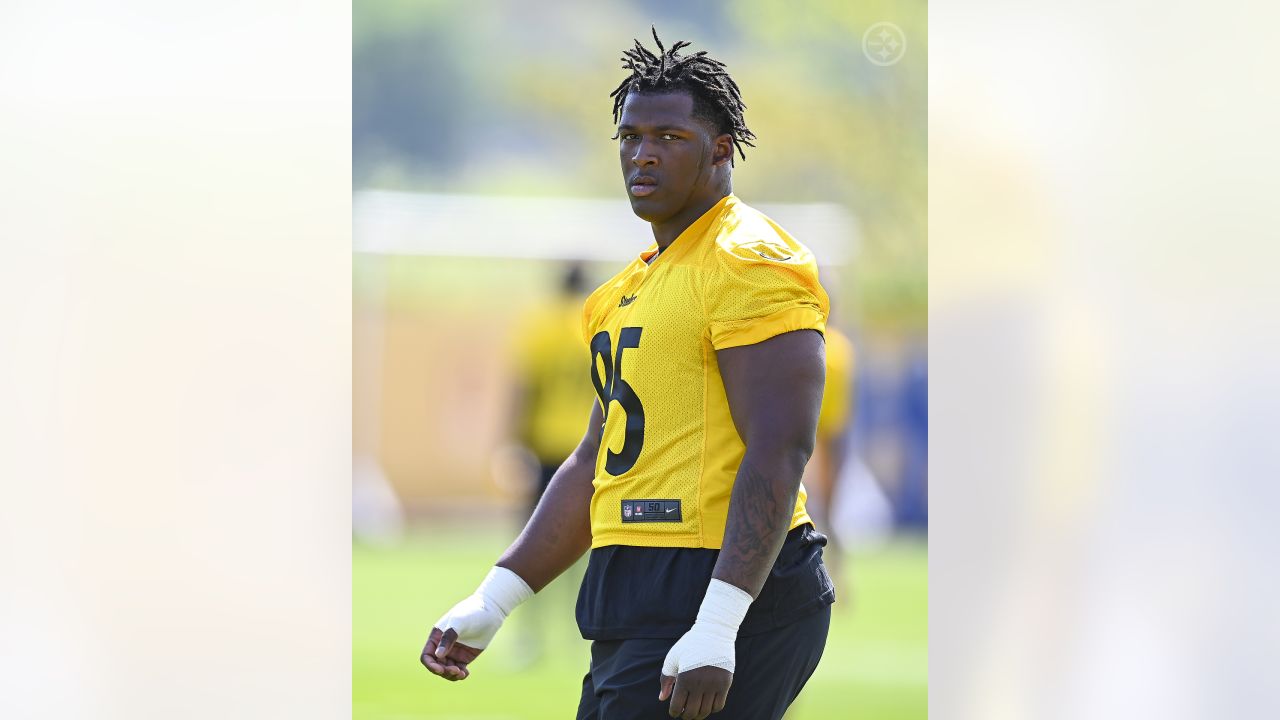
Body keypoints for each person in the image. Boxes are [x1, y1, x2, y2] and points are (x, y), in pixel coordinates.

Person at [421, 30, 836, 720]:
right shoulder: (620, 294)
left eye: (669, 136)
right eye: (630, 136)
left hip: (722, 580)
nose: (643, 153)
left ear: (721, 149)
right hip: (632, 583)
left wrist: (719, 621)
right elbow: (596, 458)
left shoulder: (753, 259)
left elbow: (780, 446)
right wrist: (496, 596)